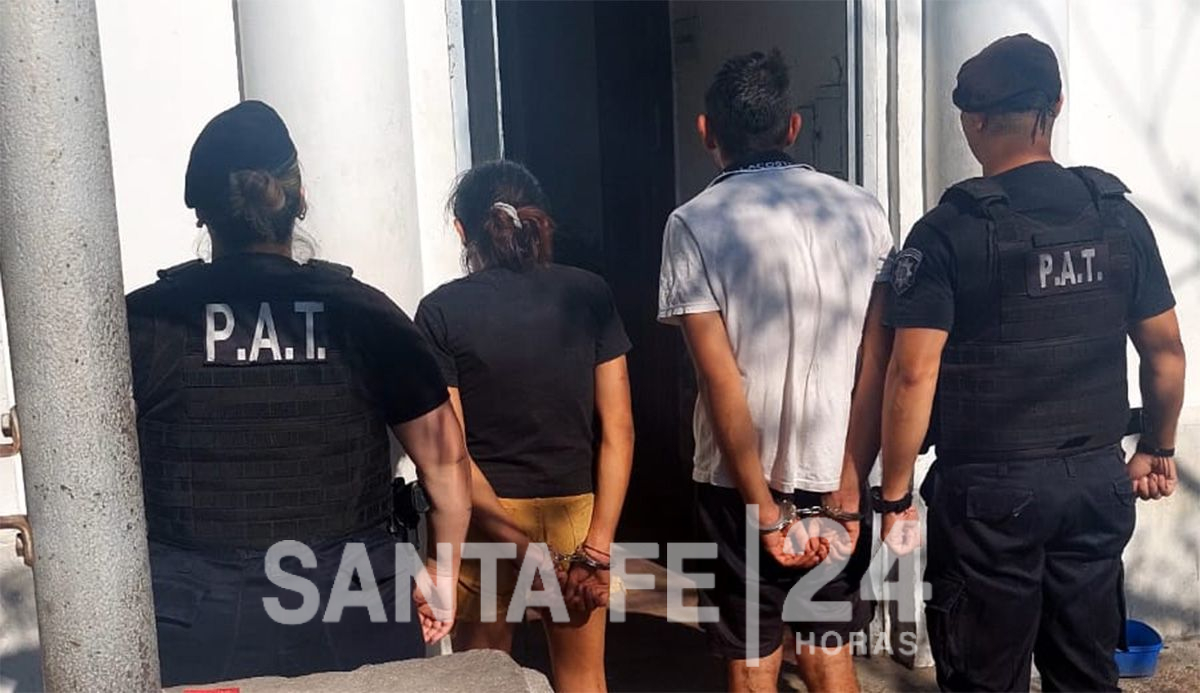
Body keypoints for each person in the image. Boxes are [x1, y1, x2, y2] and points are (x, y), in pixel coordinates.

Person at [876, 34, 1185, 692]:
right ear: (1057, 106)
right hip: (1096, 482)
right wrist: (1158, 447)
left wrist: (894, 493)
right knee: (1087, 674)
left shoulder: (948, 232)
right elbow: (1165, 352)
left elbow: (912, 374)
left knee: (985, 679)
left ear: (973, 121)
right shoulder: (1118, 219)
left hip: (988, 497)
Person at [126, 101, 472, 686]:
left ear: (202, 211)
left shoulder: (145, 323)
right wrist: (441, 572)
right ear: (299, 198)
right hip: (356, 606)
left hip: (192, 622)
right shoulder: (365, 315)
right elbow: (446, 461)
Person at [657, 49, 894, 692]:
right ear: (792, 127)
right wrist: (850, 490)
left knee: (750, 656)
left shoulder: (694, 223)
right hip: (838, 470)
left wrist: (763, 510)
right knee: (828, 650)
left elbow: (719, 379)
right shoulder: (863, 212)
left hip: (735, 486)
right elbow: (878, 363)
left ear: (706, 131)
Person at [414, 160, 634, 692]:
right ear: (541, 222)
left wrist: (519, 547)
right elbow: (619, 429)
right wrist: (598, 546)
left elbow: (451, 452)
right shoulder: (589, 294)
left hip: (483, 520)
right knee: (585, 681)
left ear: (462, 230)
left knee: (483, 682)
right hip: (576, 515)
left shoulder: (441, 311)